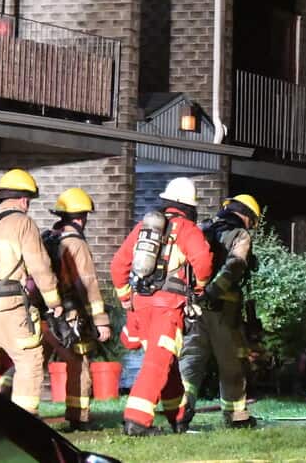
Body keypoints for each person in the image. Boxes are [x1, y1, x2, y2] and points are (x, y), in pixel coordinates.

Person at [111, 177, 213, 436]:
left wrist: (126, 300)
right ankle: (136, 421)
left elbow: (118, 265)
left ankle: (178, 415)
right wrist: (199, 289)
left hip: (141, 305)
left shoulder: (143, 228)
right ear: (189, 206)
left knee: (165, 360)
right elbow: (203, 262)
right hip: (167, 307)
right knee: (157, 362)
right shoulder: (187, 229)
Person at [0, 169, 62, 415]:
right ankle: (25, 423)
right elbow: (39, 266)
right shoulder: (23, 223)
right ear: (24, 199)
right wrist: (54, 300)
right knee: (29, 360)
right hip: (7, 307)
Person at [178, 193, 262, 431]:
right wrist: (214, 292)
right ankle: (237, 417)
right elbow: (234, 266)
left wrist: (197, 294)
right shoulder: (240, 235)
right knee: (232, 364)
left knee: (191, 360)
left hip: (194, 308)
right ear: (246, 216)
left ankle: (181, 413)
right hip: (223, 310)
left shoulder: (204, 229)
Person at [39, 187, 112, 431]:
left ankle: (8, 407)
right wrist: (100, 320)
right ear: (81, 217)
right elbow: (87, 283)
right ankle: (79, 417)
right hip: (70, 315)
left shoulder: (50, 237)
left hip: (43, 313)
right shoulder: (76, 244)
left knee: (31, 363)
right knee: (79, 363)